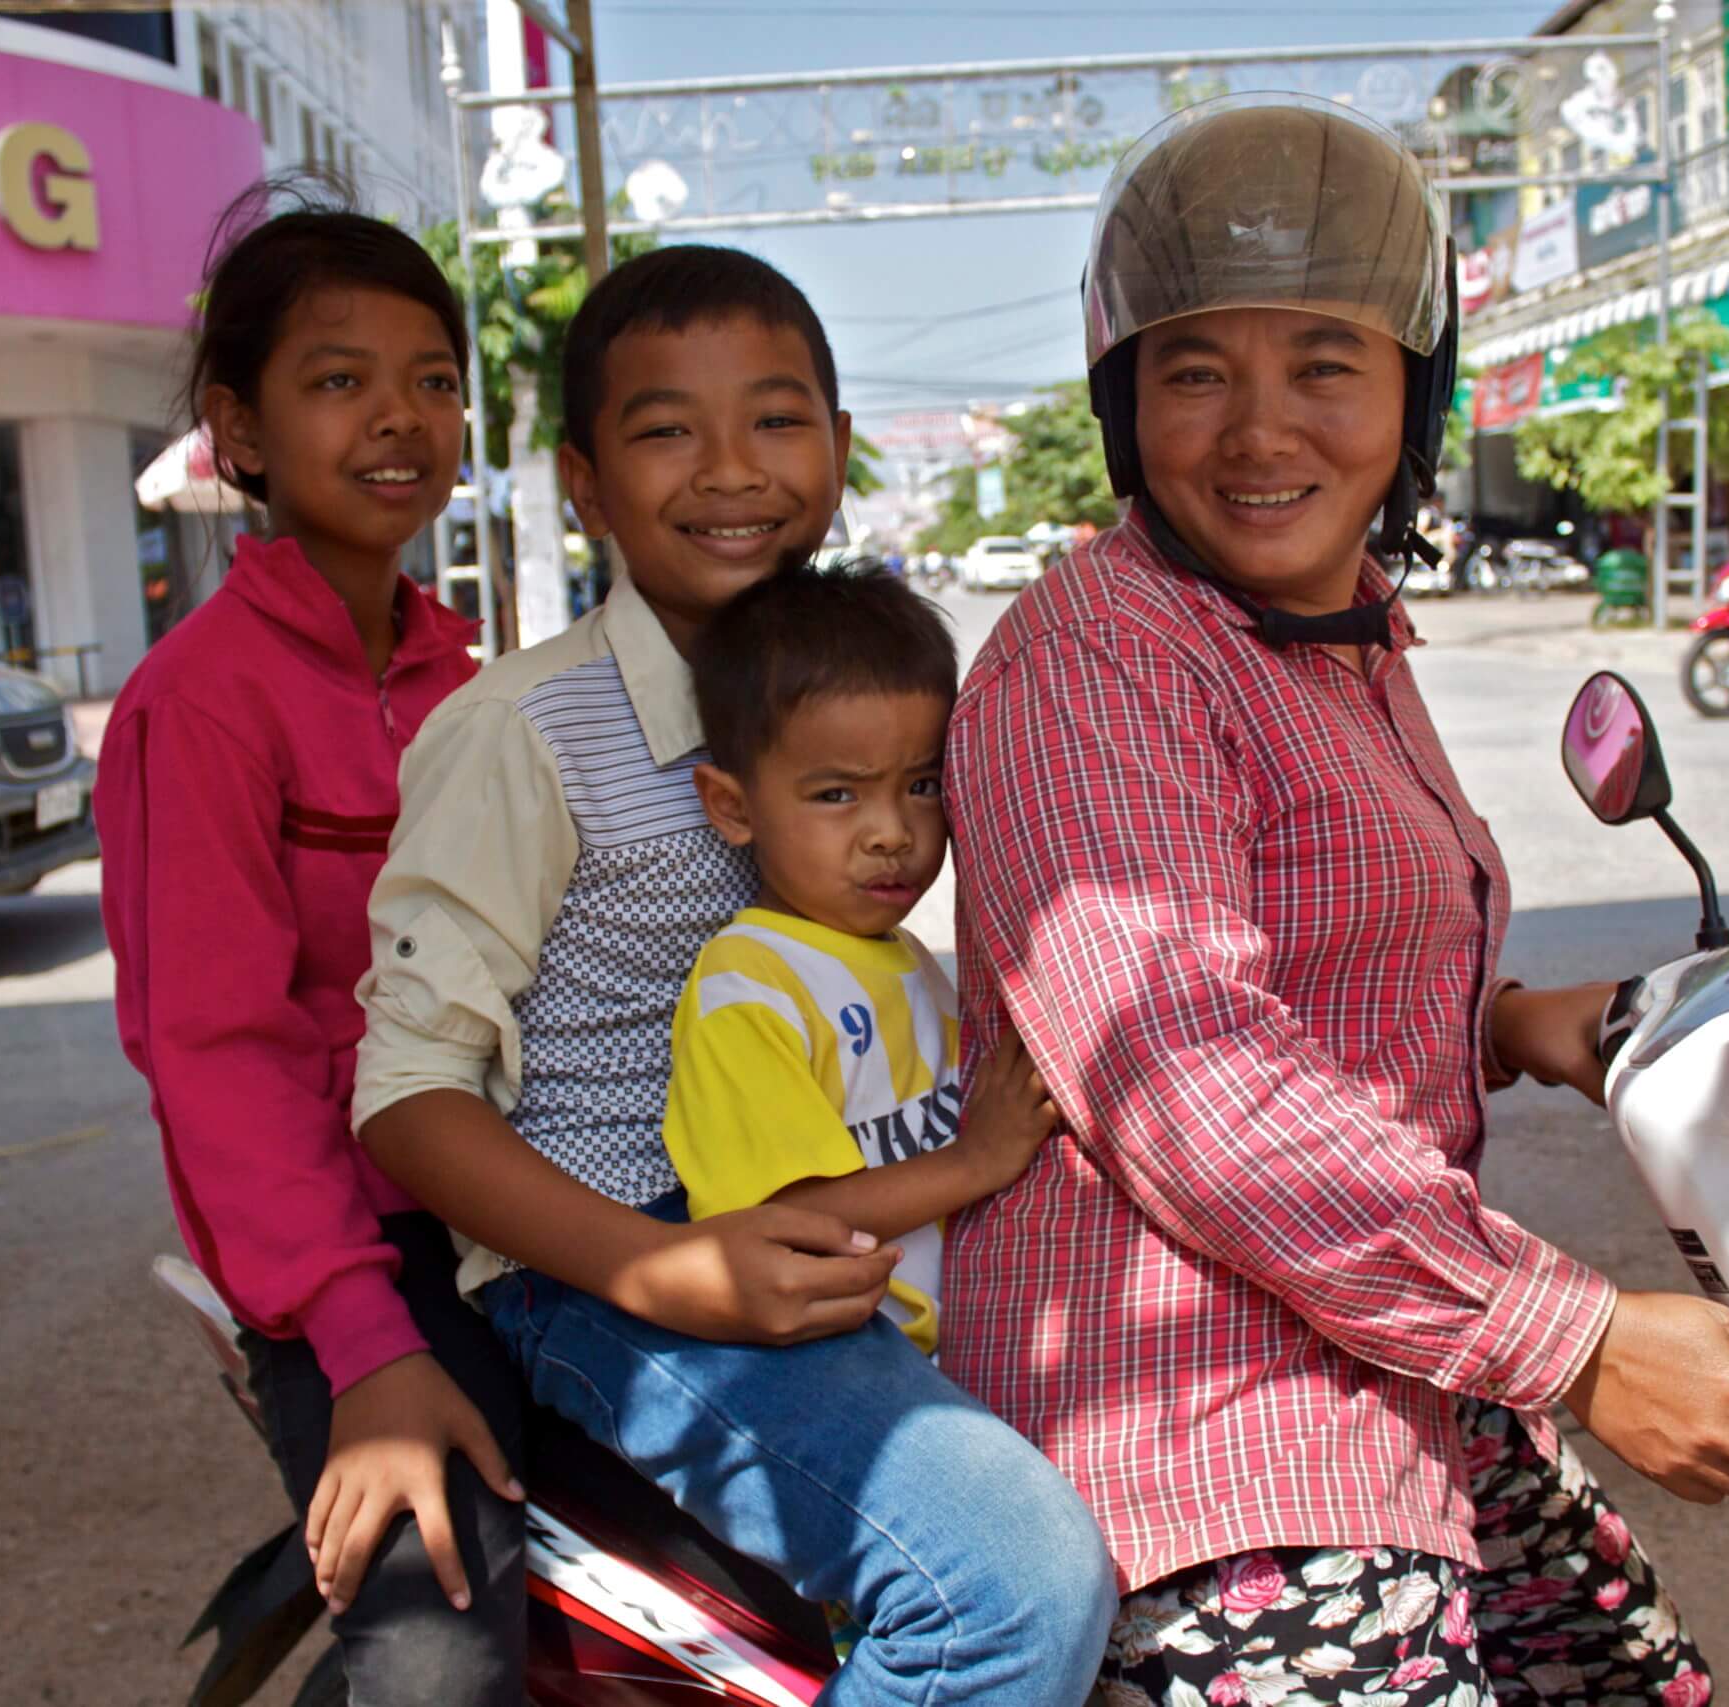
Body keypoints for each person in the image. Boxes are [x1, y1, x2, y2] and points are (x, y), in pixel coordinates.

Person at [941, 94, 1729, 1707]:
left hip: (1396, 1365)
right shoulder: (1095, 658)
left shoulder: (1333, 632)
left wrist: (1517, 1021)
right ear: (1128, 407)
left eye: (1323, 365)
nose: (1260, 431)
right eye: (1196, 372)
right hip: (1207, 1428)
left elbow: (1292, 959)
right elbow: (1186, 1068)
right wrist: (1580, 1339)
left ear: (1414, 392)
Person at [347, 244, 1117, 1706]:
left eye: (775, 418)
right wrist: (658, 1266)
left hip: (849, 1196)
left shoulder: (884, 680)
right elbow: (406, 1089)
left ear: (837, 443)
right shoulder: (525, 730)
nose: (730, 470)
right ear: (581, 480)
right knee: (1011, 1582)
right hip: (613, 1257)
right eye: (663, 430)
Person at [96, 195, 527, 1703]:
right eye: (340, 380)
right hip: (358, 1250)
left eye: (430, 377)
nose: (401, 417)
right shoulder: (198, 702)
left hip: (521, 1198)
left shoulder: (471, 673)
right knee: (445, 1642)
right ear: (242, 429)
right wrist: (366, 1344)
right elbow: (215, 1053)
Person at [665, 564, 1059, 1359]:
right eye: (838, 795)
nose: (891, 832)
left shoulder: (908, 957)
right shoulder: (751, 987)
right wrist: (978, 1158)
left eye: (921, 784)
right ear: (732, 806)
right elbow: (799, 1222)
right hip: (844, 1360)